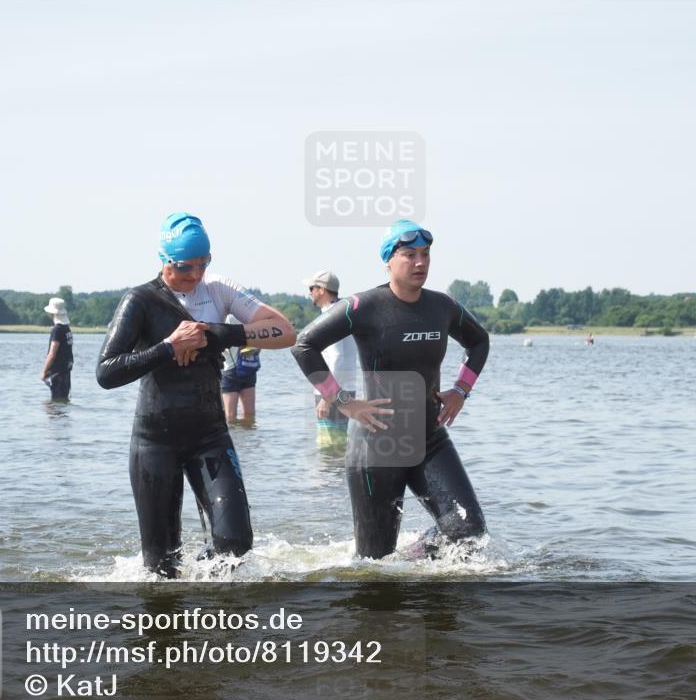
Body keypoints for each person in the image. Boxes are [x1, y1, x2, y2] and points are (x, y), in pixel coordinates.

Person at [96, 212, 296, 578]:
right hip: (154, 442)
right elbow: (106, 373)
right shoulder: (140, 300)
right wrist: (169, 347)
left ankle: (215, 614)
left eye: (204, 264)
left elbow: (285, 332)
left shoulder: (218, 288)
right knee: (160, 568)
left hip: (209, 436)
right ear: (165, 260)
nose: (196, 275)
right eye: (186, 267)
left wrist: (220, 334)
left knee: (236, 543)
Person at [292, 220, 489, 560]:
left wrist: (461, 390)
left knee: (469, 534)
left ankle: (416, 557)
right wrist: (344, 401)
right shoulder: (363, 307)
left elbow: (479, 341)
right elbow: (304, 345)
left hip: (430, 438)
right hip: (376, 447)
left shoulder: (442, 307)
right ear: (388, 260)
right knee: (375, 564)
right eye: (409, 254)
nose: (420, 263)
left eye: (425, 254)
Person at [303, 270, 357, 449]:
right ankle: (339, 477)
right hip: (343, 388)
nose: (309, 292)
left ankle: (331, 478)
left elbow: (337, 356)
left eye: (312, 288)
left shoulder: (331, 317)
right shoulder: (343, 313)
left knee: (329, 448)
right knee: (338, 445)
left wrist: (327, 396)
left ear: (322, 290)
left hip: (332, 392)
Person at [220, 317, 261, 424]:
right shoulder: (251, 316)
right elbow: (259, 346)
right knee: (250, 416)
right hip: (249, 367)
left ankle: (236, 439)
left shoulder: (226, 318)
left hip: (230, 370)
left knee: (230, 417)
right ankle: (249, 439)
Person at [40, 297, 74, 401]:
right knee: (63, 403)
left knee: (54, 408)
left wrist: (44, 372)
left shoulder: (57, 330)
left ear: (52, 313)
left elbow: (52, 354)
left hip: (57, 374)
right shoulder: (66, 329)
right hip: (66, 373)